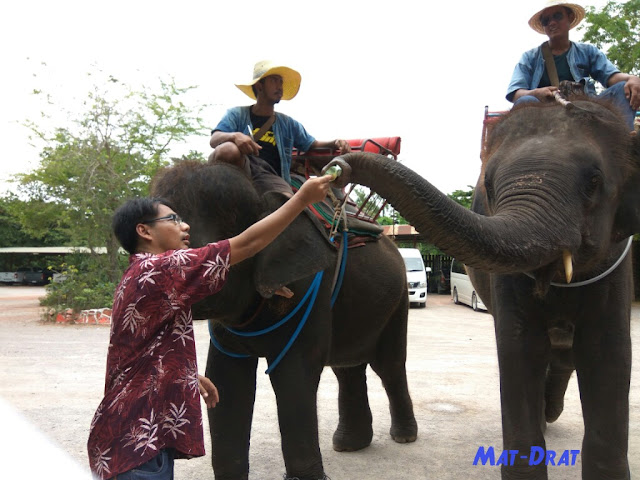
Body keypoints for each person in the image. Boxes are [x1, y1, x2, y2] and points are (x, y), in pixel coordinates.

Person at [87, 173, 333, 480]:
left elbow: (140, 349)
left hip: (131, 436)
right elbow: (249, 243)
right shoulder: (162, 268)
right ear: (144, 231)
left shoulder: (136, 276)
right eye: (173, 219)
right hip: (138, 442)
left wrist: (180, 373)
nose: (185, 226)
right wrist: (302, 199)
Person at [209, 60, 352, 190]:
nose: (279, 87)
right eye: (274, 81)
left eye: (280, 82)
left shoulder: (288, 124)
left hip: (271, 177)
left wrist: (335, 142)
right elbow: (214, 139)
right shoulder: (237, 114)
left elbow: (311, 144)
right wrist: (235, 136)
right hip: (242, 170)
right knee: (228, 149)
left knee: (288, 204)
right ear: (259, 86)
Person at [506, 0, 640, 130]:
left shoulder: (587, 51)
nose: (552, 23)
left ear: (569, 18)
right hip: (544, 111)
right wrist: (536, 93)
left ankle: (626, 138)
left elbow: (611, 77)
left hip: (586, 107)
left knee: (623, 87)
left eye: (557, 16)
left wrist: (631, 78)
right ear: (543, 26)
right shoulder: (529, 57)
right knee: (525, 101)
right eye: (546, 21)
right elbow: (515, 93)